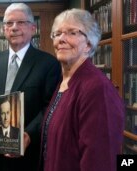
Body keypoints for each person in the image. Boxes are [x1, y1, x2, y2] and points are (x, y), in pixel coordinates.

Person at [0, 3, 61, 171]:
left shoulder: (48, 63)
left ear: (33, 28)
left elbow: (50, 106)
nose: (14, 28)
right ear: (4, 29)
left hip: (30, 154)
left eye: (21, 22)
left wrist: (29, 134)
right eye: (9, 23)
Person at [40, 8, 125, 171]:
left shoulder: (97, 89)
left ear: (88, 44)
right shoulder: (64, 82)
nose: (61, 39)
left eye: (72, 32)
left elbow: (100, 161)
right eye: (57, 34)